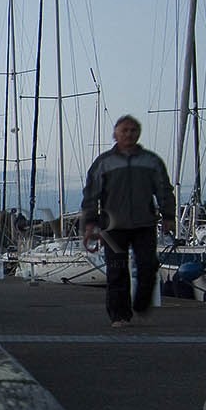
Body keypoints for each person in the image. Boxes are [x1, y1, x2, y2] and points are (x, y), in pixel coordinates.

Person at [80, 114, 176, 327]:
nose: (129, 134)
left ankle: (141, 304)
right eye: (124, 130)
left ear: (139, 133)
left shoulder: (151, 161)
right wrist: (90, 223)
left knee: (148, 266)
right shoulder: (104, 163)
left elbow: (164, 190)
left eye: (133, 130)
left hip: (144, 224)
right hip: (113, 226)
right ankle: (119, 315)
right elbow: (91, 194)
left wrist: (169, 216)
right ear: (115, 134)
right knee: (117, 271)